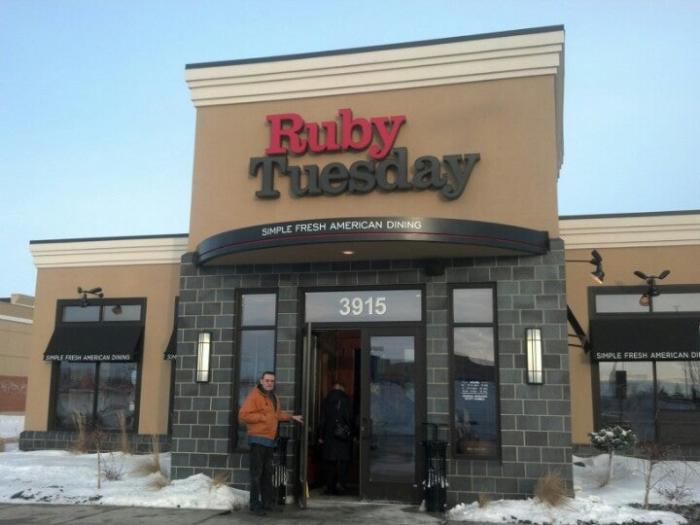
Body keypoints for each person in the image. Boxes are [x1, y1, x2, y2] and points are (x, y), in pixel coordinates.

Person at [239, 370, 303, 516]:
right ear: (261, 381)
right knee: (256, 474)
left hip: (269, 441)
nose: (269, 383)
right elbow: (243, 415)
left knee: (267, 474)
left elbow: (276, 415)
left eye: (272, 381)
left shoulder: (273, 396)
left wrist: (292, 417)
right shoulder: (255, 396)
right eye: (267, 380)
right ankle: (255, 505)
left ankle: (267, 503)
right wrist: (262, 417)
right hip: (257, 440)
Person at [318, 382, 353, 495]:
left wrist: (321, 435)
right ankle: (341, 484)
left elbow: (322, 419)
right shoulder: (346, 400)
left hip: (329, 435)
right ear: (343, 388)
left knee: (330, 462)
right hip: (343, 435)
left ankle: (330, 486)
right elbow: (349, 417)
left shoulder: (326, 400)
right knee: (343, 461)